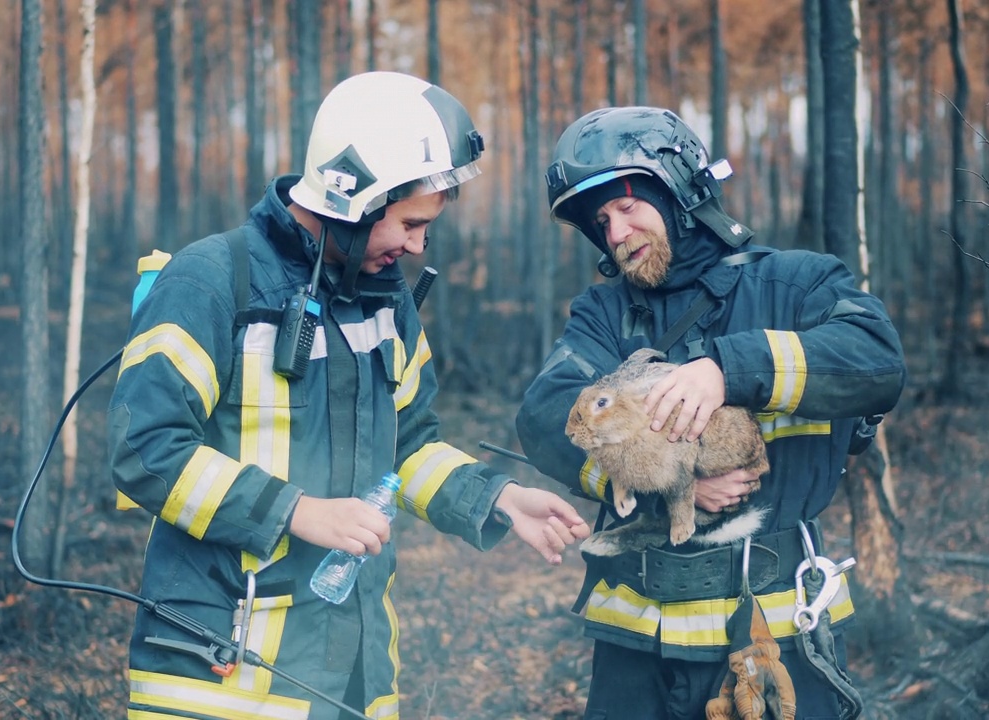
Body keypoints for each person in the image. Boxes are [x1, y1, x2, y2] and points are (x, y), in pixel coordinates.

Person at [108, 71, 591, 720]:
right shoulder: (211, 280)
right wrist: (296, 509)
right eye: (411, 223)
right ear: (356, 196)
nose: (419, 244)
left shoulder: (389, 304)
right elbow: (145, 450)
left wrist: (496, 496)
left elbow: (410, 447)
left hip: (349, 680)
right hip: (216, 680)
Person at [515, 106, 907, 719]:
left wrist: (729, 369)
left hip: (776, 635)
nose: (615, 234)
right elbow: (544, 414)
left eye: (627, 207)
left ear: (680, 190)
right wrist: (668, 479)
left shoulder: (796, 284)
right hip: (635, 649)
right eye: (601, 221)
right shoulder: (602, 315)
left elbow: (878, 361)